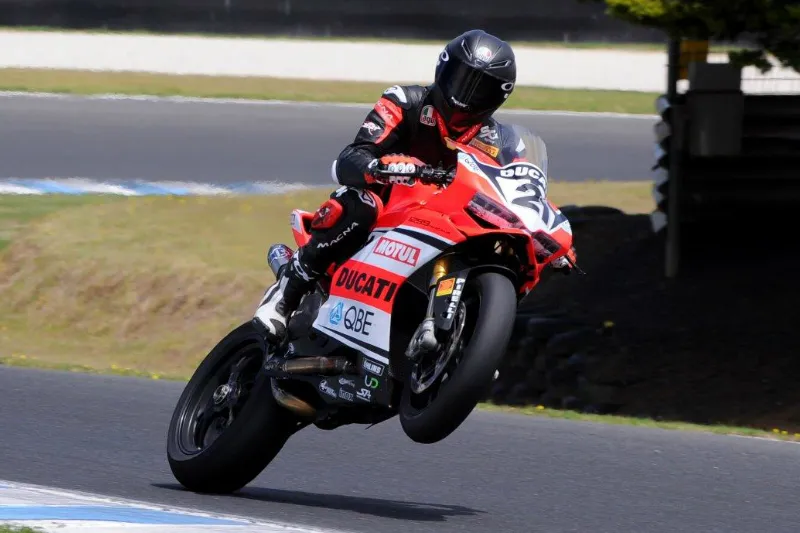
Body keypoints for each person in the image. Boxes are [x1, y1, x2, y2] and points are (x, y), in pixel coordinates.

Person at [255, 28, 573, 342]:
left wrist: (543, 232)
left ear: (497, 97)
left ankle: (464, 343)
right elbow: (350, 158)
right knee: (360, 204)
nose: (467, 96)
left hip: (445, 220)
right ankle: (286, 295)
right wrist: (379, 167)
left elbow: (515, 189)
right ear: (444, 70)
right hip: (388, 207)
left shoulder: (494, 140)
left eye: (482, 90)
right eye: (462, 81)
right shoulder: (406, 101)